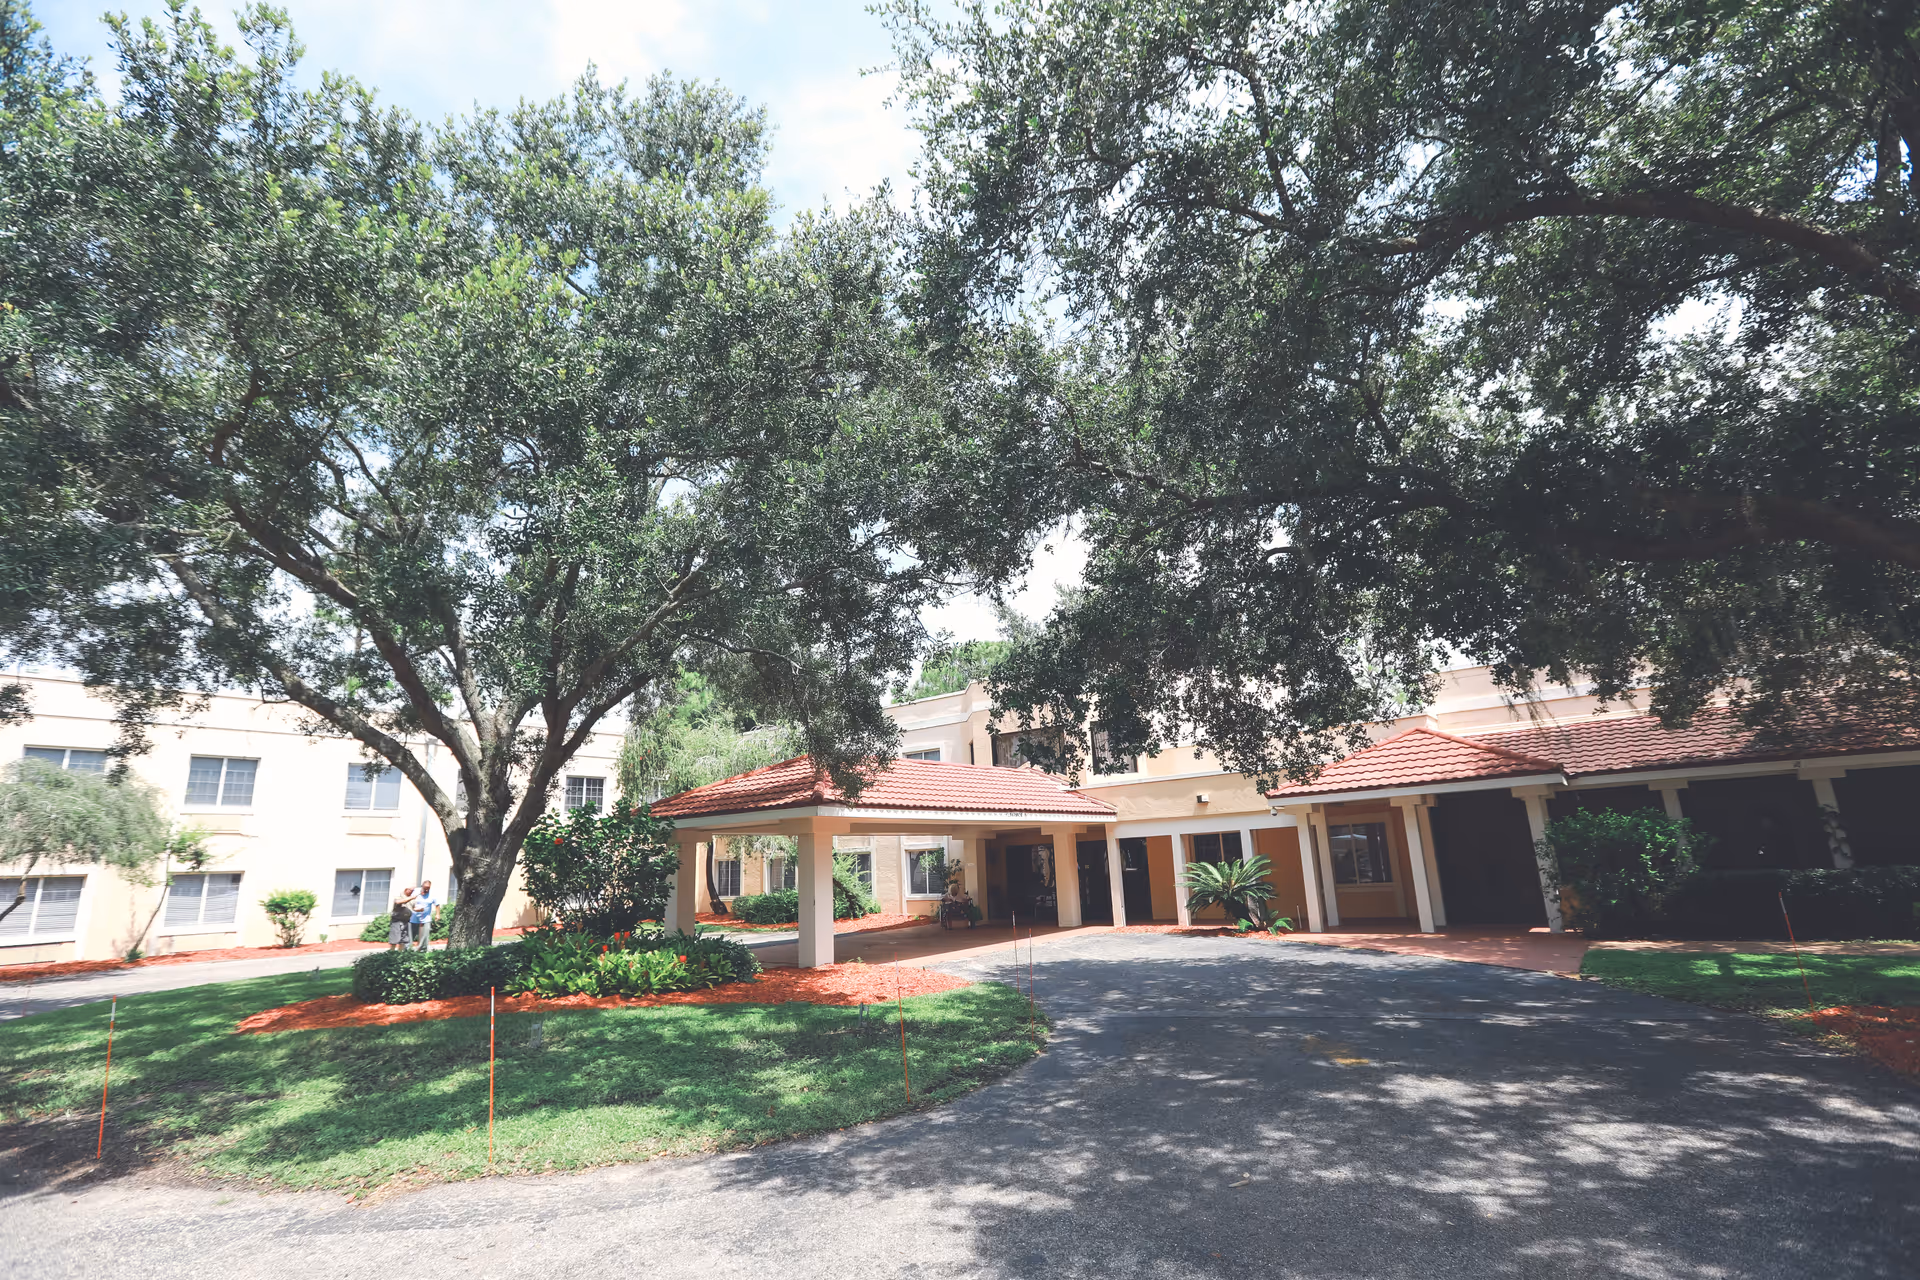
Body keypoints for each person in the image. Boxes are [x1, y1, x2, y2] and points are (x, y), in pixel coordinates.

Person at [411, 878, 440, 950]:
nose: (426, 890)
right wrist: (414, 909)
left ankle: (422, 951)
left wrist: (437, 914)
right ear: (422, 886)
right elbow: (409, 901)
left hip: (426, 919)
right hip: (413, 918)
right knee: (410, 936)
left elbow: (437, 904)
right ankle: (407, 952)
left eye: (428, 888)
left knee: (424, 936)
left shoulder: (432, 894)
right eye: (425, 888)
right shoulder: (415, 892)